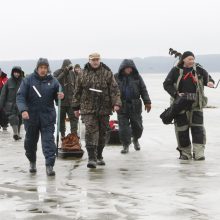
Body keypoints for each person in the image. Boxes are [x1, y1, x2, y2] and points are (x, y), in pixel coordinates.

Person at [163, 51, 215, 160]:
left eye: (193, 59)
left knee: (198, 129)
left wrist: (210, 82)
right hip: (180, 105)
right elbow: (166, 84)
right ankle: (185, 154)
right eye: (189, 59)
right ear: (183, 60)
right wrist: (176, 94)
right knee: (182, 130)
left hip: (196, 105)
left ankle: (199, 153)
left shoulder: (199, 69)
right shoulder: (175, 71)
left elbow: (208, 78)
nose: (192, 61)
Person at [16, 58, 64, 176]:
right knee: (30, 143)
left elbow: (58, 98)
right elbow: (20, 97)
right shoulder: (28, 80)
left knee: (48, 142)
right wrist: (23, 110)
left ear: (47, 69)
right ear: (37, 68)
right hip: (31, 117)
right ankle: (32, 161)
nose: (43, 70)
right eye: (41, 67)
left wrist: (61, 96)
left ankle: (49, 166)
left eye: (45, 68)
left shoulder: (53, 81)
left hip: (47, 117)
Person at [73, 53, 121, 168]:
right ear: (89, 61)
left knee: (102, 133)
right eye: (93, 60)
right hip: (87, 108)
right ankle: (91, 158)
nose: (95, 62)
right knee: (90, 131)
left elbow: (114, 90)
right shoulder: (82, 74)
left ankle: (99, 155)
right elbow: (77, 92)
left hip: (104, 108)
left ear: (100, 60)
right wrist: (75, 107)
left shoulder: (107, 73)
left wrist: (116, 104)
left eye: (97, 60)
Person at [115, 59, 151, 154]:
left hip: (135, 105)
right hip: (121, 105)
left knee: (138, 127)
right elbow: (111, 91)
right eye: (127, 67)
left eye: (130, 68)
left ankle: (135, 139)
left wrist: (147, 102)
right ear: (122, 68)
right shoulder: (116, 77)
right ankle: (125, 145)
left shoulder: (137, 77)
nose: (129, 69)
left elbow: (143, 89)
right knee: (123, 128)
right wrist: (112, 103)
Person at [54, 60, 80, 137]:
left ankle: (74, 136)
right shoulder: (57, 72)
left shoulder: (72, 73)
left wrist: (77, 100)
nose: (69, 68)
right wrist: (64, 73)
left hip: (72, 102)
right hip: (61, 102)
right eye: (68, 66)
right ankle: (62, 135)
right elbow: (55, 82)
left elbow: (76, 85)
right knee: (61, 120)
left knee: (74, 119)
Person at [0, 66, 24, 140]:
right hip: (10, 104)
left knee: (20, 119)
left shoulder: (24, 81)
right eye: (15, 72)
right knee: (13, 118)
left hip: (21, 103)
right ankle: (15, 133)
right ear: (13, 72)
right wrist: (1, 105)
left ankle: (18, 134)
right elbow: (3, 94)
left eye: (18, 72)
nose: (16, 74)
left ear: (20, 73)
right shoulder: (8, 81)